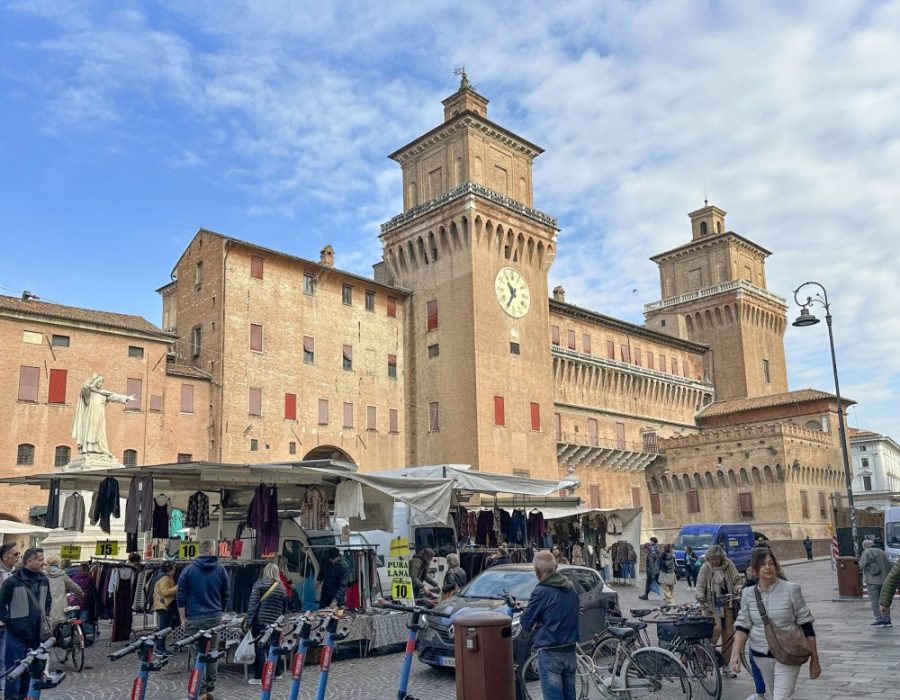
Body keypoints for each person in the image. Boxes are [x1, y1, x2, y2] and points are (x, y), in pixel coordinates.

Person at [730, 548, 820, 698]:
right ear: (754, 569)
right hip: (761, 654)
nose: (767, 567)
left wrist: (815, 660)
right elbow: (742, 625)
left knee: (781, 697)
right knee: (773, 696)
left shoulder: (791, 589)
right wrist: (735, 654)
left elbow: (807, 626)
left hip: (788, 653)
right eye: (763, 564)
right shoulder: (748, 593)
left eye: (770, 563)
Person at [519, 550, 580, 700]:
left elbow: (526, 623)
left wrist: (531, 616)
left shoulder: (541, 591)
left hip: (551, 650)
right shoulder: (570, 586)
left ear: (537, 571)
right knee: (569, 696)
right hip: (570, 649)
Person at [176, 539, 229, 700]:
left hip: (194, 618)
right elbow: (226, 594)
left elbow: (181, 595)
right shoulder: (220, 570)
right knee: (212, 653)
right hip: (214, 617)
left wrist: (182, 618)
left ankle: (201, 690)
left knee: (197, 655)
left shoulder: (188, 571)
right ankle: (210, 688)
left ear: (199, 550)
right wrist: (220, 611)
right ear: (213, 551)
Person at [0, 548, 51, 700]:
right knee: (14, 673)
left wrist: (44, 619)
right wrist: (11, 622)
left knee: (30, 674)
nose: (43, 562)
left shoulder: (44, 580)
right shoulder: (12, 582)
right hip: (16, 636)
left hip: (36, 636)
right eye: (40, 559)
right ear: (29, 561)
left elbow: (48, 602)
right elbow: (0, 605)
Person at [695, 544, 742, 677]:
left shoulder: (728, 565)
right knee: (717, 629)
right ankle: (707, 654)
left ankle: (725, 666)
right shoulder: (705, 567)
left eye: (717, 558)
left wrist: (738, 587)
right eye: (713, 558)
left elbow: (737, 579)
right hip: (712, 605)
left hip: (728, 603)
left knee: (729, 636)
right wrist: (700, 598)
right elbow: (700, 585)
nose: (715, 560)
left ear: (722, 557)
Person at [70, 374, 135, 458]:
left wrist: (127, 398)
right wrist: (90, 380)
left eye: (101, 382)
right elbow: (84, 389)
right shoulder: (89, 393)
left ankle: (100, 449)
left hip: (100, 416)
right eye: (99, 382)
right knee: (90, 431)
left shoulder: (103, 393)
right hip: (90, 415)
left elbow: (114, 396)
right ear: (95, 382)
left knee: (100, 432)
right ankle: (88, 448)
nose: (100, 384)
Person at [247, 563, 288, 685]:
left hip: (260, 621)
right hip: (275, 622)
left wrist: (249, 621)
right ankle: (277, 672)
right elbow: (284, 609)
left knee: (259, 648)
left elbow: (253, 604)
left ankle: (259, 676)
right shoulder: (282, 588)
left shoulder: (259, 584)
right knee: (273, 647)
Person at [858, 539, 892, 627]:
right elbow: (890, 565)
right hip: (884, 581)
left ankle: (879, 619)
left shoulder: (866, 552)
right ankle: (887, 620)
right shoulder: (882, 552)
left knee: (874, 601)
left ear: (864, 546)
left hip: (872, 581)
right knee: (884, 601)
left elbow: (861, 566)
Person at [0, 543, 20, 684]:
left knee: (7, 657)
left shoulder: (16, 574)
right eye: (15, 554)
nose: (18, 557)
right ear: (5, 556)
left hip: (10, 622)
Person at [45, 554, 83, 627]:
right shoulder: (62, 575)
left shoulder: (44, 576)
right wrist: (81, 594)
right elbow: (74, 586)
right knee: (62, 629)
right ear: (58, 563)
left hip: (48, 609)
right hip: (61, 609)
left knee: (50, 631)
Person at [152, 562, 178, 654]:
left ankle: (160, 647)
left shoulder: (164, 577)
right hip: (163, 605)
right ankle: (160, 648)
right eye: (174, 568)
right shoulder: (165, 578)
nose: (175, 570)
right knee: (163, 628)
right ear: (169, 569)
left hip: (162, 605)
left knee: (164, 628)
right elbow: (165, 592)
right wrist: (177, 587)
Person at [68, 563, 96, 645]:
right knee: (85, 621)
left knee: (75, 621)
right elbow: (93, 592)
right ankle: (88, 639)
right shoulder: (90, 578)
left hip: (74, 603)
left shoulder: (73, 578)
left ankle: (75, 638)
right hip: (85, 603)